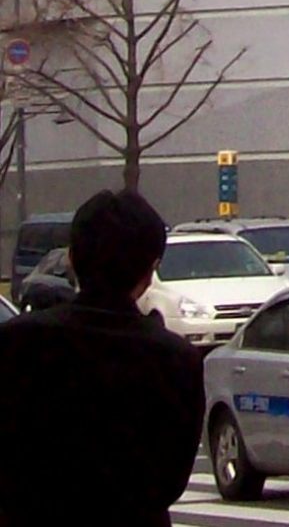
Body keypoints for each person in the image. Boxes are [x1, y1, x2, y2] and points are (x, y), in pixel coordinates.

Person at [0, 188, 201, 526]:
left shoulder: (16, 342)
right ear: (150, 270)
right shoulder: (176, 360)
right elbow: (170, 480)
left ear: (73, 258)